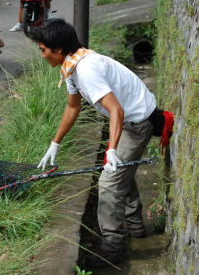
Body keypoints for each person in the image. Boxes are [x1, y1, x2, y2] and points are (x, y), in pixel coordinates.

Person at [29, 18, 173, 268]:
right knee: (119, 174)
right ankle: (134, 226)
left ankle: (114, 248)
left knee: (109, 182)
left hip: (138, 121)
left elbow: (115, 110)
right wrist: (55, 143)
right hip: (129, 119)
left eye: (43, 50)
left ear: (59, 49)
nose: (42, 56)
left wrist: (112, 150)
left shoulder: (86, 69)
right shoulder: (73, 65)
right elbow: (73, 107)